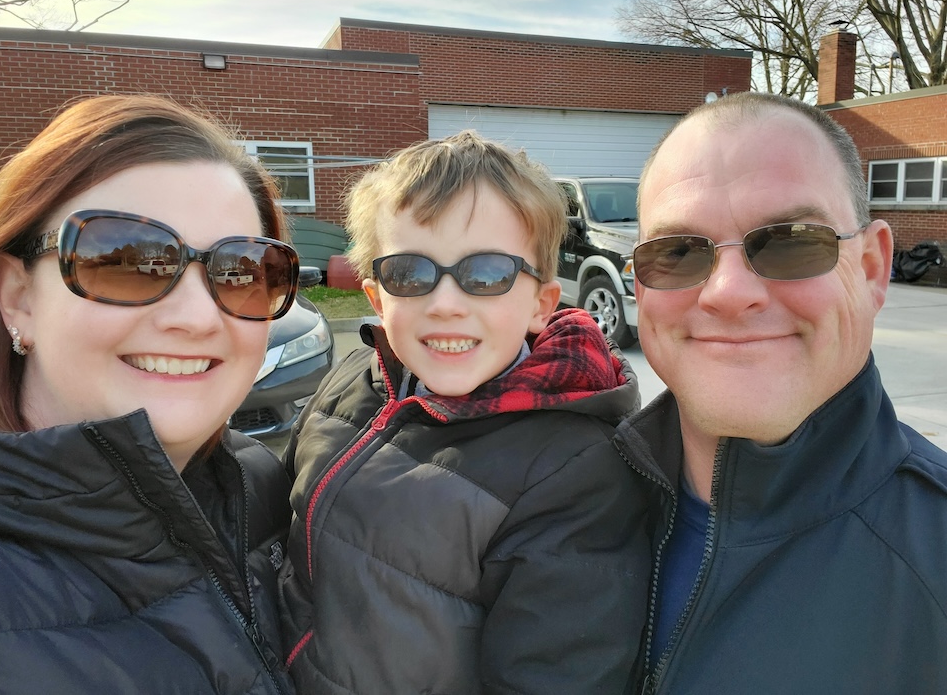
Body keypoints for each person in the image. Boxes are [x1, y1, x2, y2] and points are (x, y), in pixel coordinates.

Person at [0, 94, 300, 694]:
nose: (197, 317)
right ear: (17, 297)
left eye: (241, 269)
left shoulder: (260, 487)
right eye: (127, 260)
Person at [278, 131, 651, 694]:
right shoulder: (352, 382)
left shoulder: (573, 473)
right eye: (409, 273)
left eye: (486, 274)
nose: (446, 304)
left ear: (540, 305)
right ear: (378, 298)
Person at [616, 92, 947, 694]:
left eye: (792, 240)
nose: (727, 292)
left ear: (872, 268)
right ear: (640, 289)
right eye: (677, 252)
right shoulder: (549, 509)